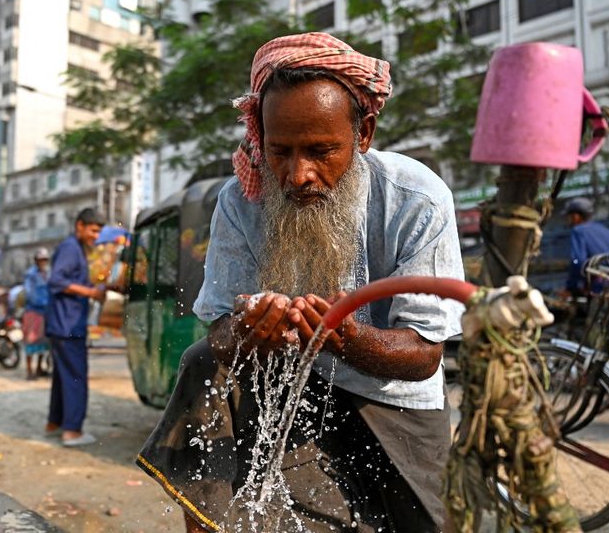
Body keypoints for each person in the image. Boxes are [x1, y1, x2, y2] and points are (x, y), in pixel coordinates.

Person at [137, 32, 464, 532]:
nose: (298, 174)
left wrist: (344, 337)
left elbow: (423, 356)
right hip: (290, 384)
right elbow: (221, 333)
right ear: (260, 139)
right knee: (202, 361)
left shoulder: (416, 200)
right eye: (281, 151)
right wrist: (247, 334)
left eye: (320, 150)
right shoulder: (240, 201)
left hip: (393, 400)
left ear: (364, 134)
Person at [44, 208, 106, 447]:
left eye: (98, 231)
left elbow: (72, 282)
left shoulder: (77, 249)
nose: (95, 236)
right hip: (67, 324)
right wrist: (91, 292)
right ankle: (72, 431)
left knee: (62, 377)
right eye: (92, 230)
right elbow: (57, 281)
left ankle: (54, 423)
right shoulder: (71, 248)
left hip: (63, 323)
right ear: (79, 225)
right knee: (75, 378)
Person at [563, 197, 609, 295]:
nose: (568, 220)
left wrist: (571, 287)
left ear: (576, 216)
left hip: (598, 288)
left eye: (569, 216)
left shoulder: (578, 231)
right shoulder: (607, 231)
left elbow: (578, 261)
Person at [22, 248, 51, 380]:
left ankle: (39, 368)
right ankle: (29, 371)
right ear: (36, 260)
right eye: (41, 260)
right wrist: (43, 302)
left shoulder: (47, 273)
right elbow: (29, 294)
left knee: (43, 342)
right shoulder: (31, 274)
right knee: (31, 341)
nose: (43, 262)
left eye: (45, 259)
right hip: (33, 312)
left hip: (45, 312)